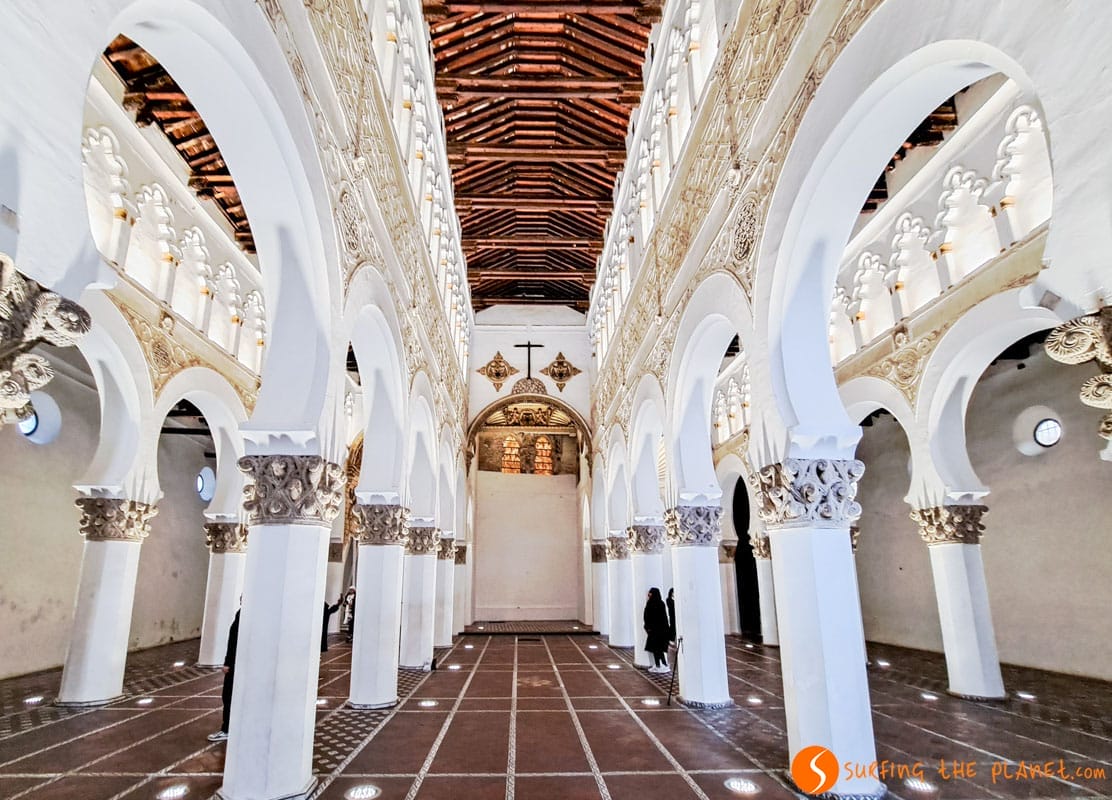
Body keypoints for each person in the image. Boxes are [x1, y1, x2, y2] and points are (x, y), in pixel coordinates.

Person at [208, 606, 240, 742]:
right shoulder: (243, 614)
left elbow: (233, 642)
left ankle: (228, 729)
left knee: (229, 696)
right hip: (239, 664)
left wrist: (228, 663)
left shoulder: (244, 616)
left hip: (236, 665)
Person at [643, 587, 671, 673]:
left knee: (656, 649)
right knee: (658, 649)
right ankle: (662, 665)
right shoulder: (661, 603)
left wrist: (648, 628)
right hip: (661, 630)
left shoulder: (651, 603)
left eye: (650, 593)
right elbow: (665, 618)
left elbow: (647, 616)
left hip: (654, 631)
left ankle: (660, 665)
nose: (649, 595)